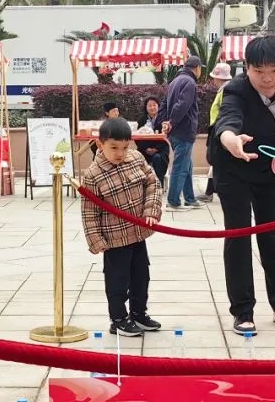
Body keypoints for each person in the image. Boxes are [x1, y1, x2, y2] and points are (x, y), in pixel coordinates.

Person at [211, 35, 275, 335]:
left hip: (272, 165)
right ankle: (243, 311)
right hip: (234, 165)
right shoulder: (236, 89)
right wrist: (230, 140)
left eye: (274, 70)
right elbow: (227, 120)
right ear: (246, 68)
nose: (267, 79)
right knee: (239, 235)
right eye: (258, 71)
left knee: (273, 235)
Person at [80, 118, 163, 337]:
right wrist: (96, 241)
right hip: (114, 239)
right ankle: (118, 319)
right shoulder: (93, 174)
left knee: (141, 276)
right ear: (100, 144)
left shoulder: (136, 158)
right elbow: (89, 212)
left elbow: (153, 183)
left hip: (138, 233)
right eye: (114, 147)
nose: (120, 153)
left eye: (125, 147)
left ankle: (138, 313)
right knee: (117, 281)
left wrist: (150, 210)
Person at [161, 55, 203, 210]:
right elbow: (182, 105)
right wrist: (172, 121)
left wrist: (166, 122)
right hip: (184, 130)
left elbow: (164, 104)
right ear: (197, 68)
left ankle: (190, 198)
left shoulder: (174, 81)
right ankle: (173, 201)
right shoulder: (189, 82)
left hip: (175, 131)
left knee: (187, 165)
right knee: (181, 166)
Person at [199, 62, 233, 202]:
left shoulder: (226, 90)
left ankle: (213, 191)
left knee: (218, 162)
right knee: (216, 163)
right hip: (219, 130)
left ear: (218, 78)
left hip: (220, 131)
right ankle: (209, 191)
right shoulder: (225, 89)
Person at [136, 96, 170, 185]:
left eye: (154, 105)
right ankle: (143, 184)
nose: (152, 107)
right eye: (149, 105)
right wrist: (146, 149)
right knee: (137, 157)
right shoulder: (141, 120)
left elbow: (166, 137)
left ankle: (159, 184)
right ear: (146, 107)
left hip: (160, 149)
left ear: (158, 106)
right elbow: (137, 138)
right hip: (144, 149)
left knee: (157, 158)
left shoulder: (164, 120)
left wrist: (156, 149)